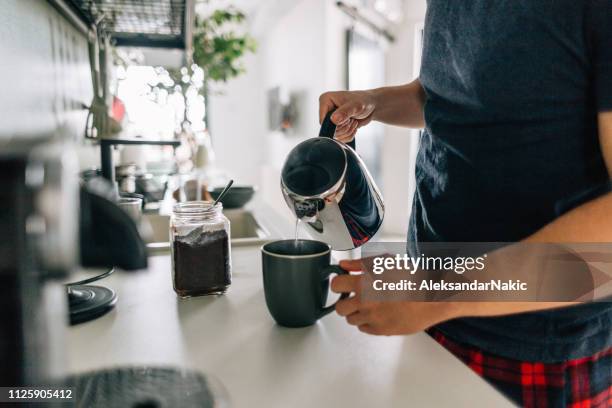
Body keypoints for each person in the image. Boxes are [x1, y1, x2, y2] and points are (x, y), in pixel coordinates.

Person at [319, 1, 612, 407]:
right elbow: (439, 94)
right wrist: (375, 101)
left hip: (533, 349)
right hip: (433, 316)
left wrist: (436, 292)